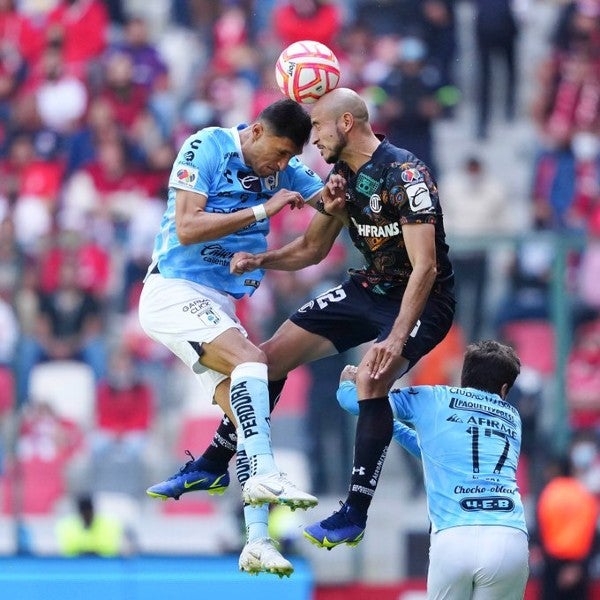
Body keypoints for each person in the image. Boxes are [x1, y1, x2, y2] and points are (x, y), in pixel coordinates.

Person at [147, 88, 455, 555]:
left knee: (371, 380)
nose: (312, 141)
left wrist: (394, 338)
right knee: (263, 363)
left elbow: (426, 267)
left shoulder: (404, 173)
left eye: (317, 129)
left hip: (421, 299)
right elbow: (312, 250)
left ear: (346, 123)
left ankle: (353, 512)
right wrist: (261, 260)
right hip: (368, 288)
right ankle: (213, 462)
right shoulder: (342, 179)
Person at [138, 98, 323, 577]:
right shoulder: (208, 146)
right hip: (173, 289)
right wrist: (264, 210)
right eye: (278, 154)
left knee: (247, 414)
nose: (281, 167)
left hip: (216, 303)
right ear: (257, 131)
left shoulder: (284, 164)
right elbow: (187, 226)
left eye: (288, 159)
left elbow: (328, 201)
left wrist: (350, 183)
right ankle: (265, 473)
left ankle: (257, 540)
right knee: (254, 361)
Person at [330, 340, 529, 598]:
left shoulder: (434, 397)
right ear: (504, 389)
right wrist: (395, 429)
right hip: (508, 537)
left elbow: (358, 404)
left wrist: (346, 385)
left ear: (463, 375)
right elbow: (436, 453)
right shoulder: (512, 417)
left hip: (453, 539)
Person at [535, 453, 599, 600]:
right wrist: (578, 567)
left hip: (552, 567)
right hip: (579, 567)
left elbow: (540, 531)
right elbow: (592, 534)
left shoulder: (548, 493)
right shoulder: (584, 494)